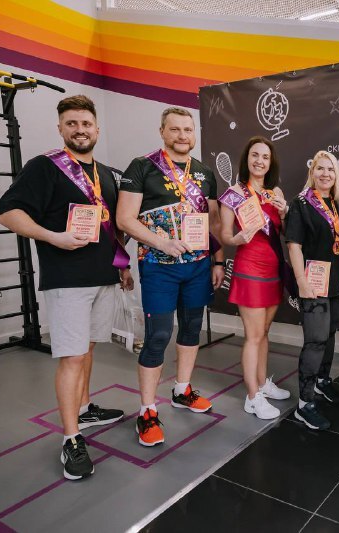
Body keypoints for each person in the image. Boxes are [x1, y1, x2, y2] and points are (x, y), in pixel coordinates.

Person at [0, 95, 132, 480]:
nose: (80, 130)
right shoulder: (45, 166)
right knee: (72, 357)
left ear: (97, 128)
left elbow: (112, 225)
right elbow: (8, 211)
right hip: (67, 280)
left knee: (87, 349)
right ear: (60, 128)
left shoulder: (106, 174)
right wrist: (52, 236)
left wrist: (122, 265)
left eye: (86, 123)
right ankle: (71, 438)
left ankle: (85, 409)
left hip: (104, 277)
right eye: (71, 123)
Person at [116, 107, 225, 447]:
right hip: (158, 266)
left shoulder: (205, 173)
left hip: (198, 266)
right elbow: (124, 219)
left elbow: (213, 223)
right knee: (159, 335)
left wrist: (219, 259)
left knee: (191, 328)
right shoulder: (141, 167)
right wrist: (161, 242)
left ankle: (182, 390)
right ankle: (147, 411)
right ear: (162, 131)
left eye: (187, 130)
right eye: (175, 129)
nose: (182, 136)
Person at [286, 150, 339, 430]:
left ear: (336, 175)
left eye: (331, 169)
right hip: (313, 281)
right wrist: (301, 281)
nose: (326, 173)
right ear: (312, 172)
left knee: (329, 334)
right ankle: (304, 404)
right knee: (315, 340)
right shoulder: (301, 203)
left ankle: (322, 380)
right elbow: (294, 245)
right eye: (320, 168)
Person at [219, 136, 291, 420]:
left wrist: (284, 212)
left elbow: (284, 231)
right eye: (255, 155)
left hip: (273, 268)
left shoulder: (275, 192)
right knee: (253, 335)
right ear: (246, 159)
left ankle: (262, 383)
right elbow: (225, 235)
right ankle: (252, 397)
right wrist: (236, 238)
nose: (259, 161)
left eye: (265, 157)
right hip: (249, 268)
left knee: (264, 333)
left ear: (271, 162)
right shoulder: (234, 193)